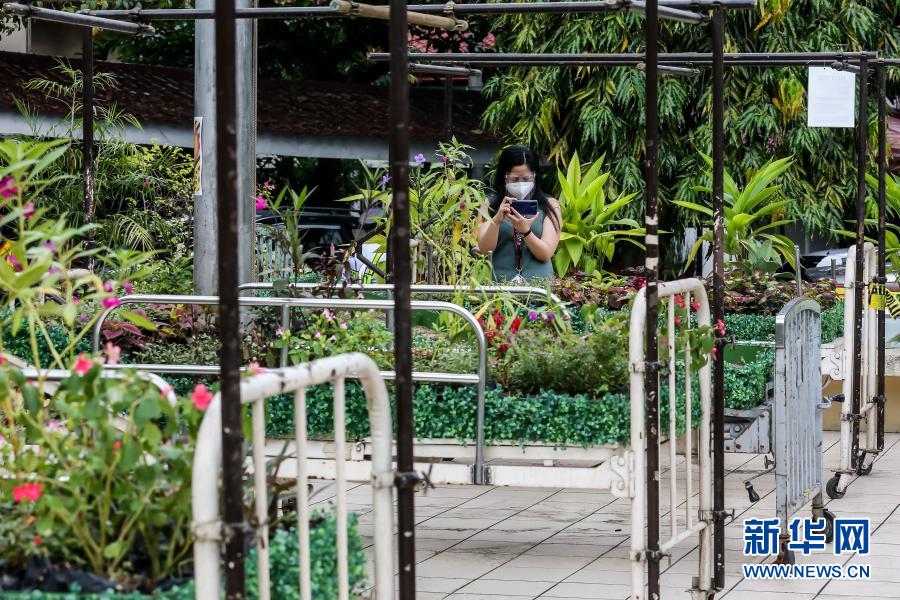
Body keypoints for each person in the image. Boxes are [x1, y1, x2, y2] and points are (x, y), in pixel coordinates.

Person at [477, 145, 561, 282]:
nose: (521, 184)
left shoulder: (550, 205)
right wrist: (496, 221)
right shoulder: (490, 204)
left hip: (538, 287)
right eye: (515, 179)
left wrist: (526, 231)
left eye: (526, 179)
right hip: (498, 286)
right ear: (505, 177)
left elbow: (545, 253)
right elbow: (485, 250)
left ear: (535, 177)